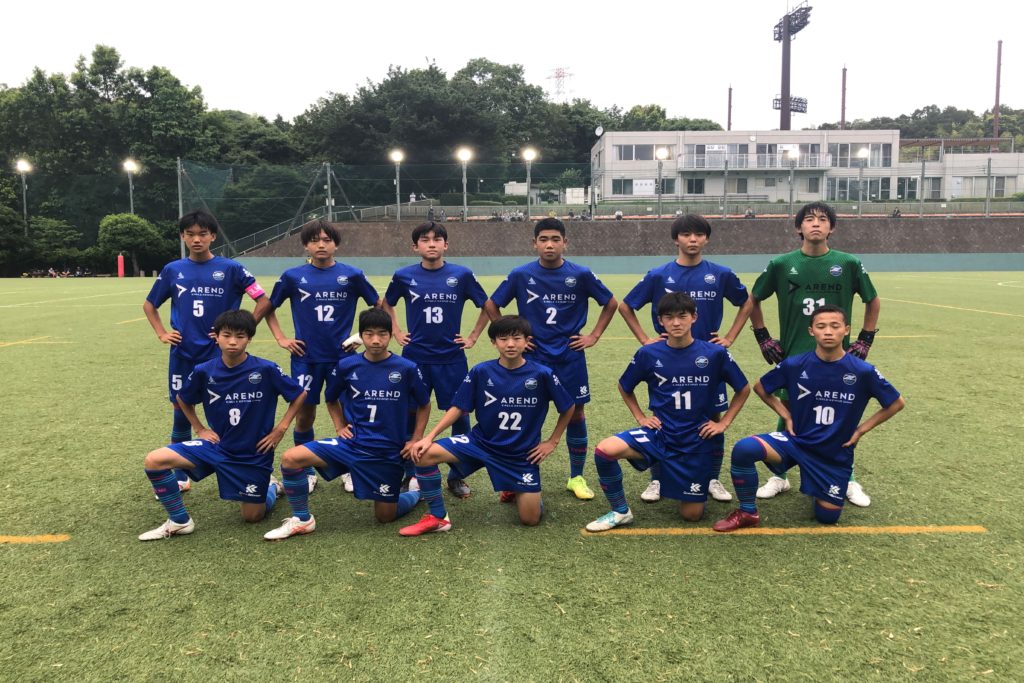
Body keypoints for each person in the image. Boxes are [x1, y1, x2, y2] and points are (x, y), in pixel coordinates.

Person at [713, 305, 905, 531]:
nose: (828, 331)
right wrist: (786, 415)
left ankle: (819, 485)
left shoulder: (863, 371)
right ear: (811, 331)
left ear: (846, 330)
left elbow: (896, 403)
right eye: (821, 326)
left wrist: (860, 430)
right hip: (797, 442)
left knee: (827, 517)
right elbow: (761, 388)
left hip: (833, 454)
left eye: (835, 326)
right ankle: (747, 512)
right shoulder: (795, 364)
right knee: (744, 449)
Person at [748, 201, 880, 507]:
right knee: (788, 410)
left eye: (823, 219)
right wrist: (762, 336)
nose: (816, 223)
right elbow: (753, 299)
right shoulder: (782, 264)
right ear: (799, 227)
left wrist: (865, 339)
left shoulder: (848, 263)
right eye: (809, 219)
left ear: (832, 228)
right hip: (795, 352)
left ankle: (847, 478)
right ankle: (779, 475)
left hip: (836, 356)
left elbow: (872, 301)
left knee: (839, 416)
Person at [586, 293, 751, 531]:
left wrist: (723, 423)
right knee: (605, 450)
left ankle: (680, 479)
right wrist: (641, 417)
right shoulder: (648, 353)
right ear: (660, 321)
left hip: (694, 441)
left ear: (694, 317)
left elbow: (743, 388)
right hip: (660, 434)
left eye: (682, 316)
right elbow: (624, 386)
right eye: (669, 317)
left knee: (691, 515)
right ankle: (620, 511)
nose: (676, 323)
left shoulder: (714, 353)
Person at [618, 214, 753, 504]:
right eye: (686, 234)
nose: (693, 240)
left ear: (707, 239)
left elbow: (747, 302)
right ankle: (657, 479)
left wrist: (730, 337)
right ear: (675, 239)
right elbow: (626, 306)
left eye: (699, 234)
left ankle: (712, 477)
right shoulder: (659, 275)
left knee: (712, 419)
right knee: (662, 420)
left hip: (708, 360)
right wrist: (645, 339)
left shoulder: (720, 274)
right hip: (667, 359)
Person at [399, 316, 575, 535]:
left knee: (530, 519)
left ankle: (514, 488)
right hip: (480, 444)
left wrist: (552, 441)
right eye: (503, 339)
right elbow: (458, 407)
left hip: (519, 455)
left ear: (527, 341)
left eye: (516, 339)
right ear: (494, 342)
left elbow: (568, 406)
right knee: (423, 454)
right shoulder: (481, 371)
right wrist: (428, 437)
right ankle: (438, 517)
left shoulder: (542, 374)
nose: (510, 344)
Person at [264, 308, 431, 540]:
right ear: (361, 336)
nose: (375, 340)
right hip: (351, 444)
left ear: (391, 335)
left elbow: (424, 404)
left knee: (385, 516)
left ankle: (416, 492)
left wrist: (416, 438)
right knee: (291, 458)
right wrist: (340, 426)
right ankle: (302, 519)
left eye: (382, 334)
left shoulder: (406, 368)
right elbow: (331, 399)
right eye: (369, 334)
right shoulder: (347, 365)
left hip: (386, 452)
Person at [139, 310, 306, 540]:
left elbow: (299, 394)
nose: (233, 342)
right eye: (226, 335)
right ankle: (179, 521)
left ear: (249, 339)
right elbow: (183, 399)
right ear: (216, 337)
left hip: (252, 455)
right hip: (217, 447)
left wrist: (281, 429)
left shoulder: (265, 369)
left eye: (240, 336)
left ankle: (271, 487)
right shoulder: (203, 370)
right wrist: (200, 429)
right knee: (154, 460)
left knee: (252, 517)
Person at [485, 218, 618, 500]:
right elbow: (491, 304)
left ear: (565, 243)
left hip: (569, 357)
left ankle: (576, 477)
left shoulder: (580, 274)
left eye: (555, 239)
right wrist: (515, 337)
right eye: (543, 239)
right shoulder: (521, 274)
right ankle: (515, 477)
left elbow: (610, 302)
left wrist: (593, 335)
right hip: (532, 358)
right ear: (534, 243)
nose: (549, 245)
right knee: (524, 413)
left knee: (576, 413)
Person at [143, 209, 271, 493]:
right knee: (180, 407)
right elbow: (149, 304)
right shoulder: (173, 270)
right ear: (182, 237)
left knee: (230, 410)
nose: (196, 239)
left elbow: (263, 301)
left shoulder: (232, 269)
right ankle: (179, 474)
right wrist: (162, 333)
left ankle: (248, 466)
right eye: (190, 234)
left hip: (221, 356)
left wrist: (239, 330)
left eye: (202, 234)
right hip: (183, 353)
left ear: (213, 236)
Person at [262, 219, 380, 494]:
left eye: (327, 240)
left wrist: (360, 337)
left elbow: (379, 306)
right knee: (305, 414)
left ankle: (349, 468)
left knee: (349, 414)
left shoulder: (352, 275)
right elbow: (269, 307)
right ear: (306, 245)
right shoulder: (293, 276)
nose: (321, 245)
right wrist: (281, 338)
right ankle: (306, 470)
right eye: (315, 240)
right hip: (306, 358)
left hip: (343, 359)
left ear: (336, 244)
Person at [382, 221, 492, 498]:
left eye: (437, 239)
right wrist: (396, 330)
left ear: (446, 244)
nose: (431, 244)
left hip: (451, 359)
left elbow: (486, 305)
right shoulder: (404, 276)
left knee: (460, 414)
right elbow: (387, 303)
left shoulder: (462, 275)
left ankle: (457, 475)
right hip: (414, 359)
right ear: (415, 246)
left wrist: (473, 337)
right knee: (410, 413)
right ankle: (410, 473)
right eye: (425, 239)